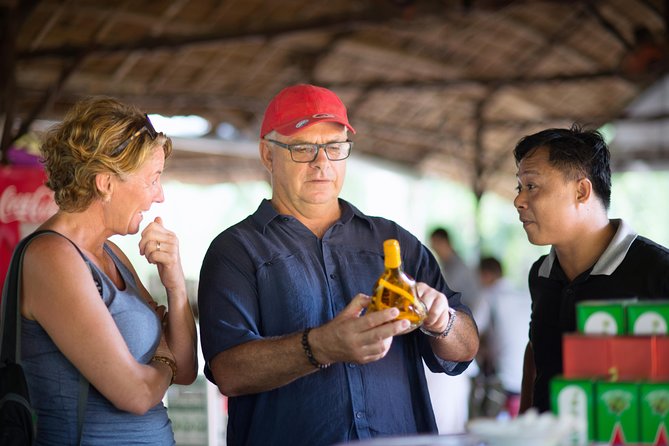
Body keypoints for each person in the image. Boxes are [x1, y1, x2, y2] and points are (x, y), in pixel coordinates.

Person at [198, 84, 479, 446]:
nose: (322, 163)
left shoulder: (394, 242)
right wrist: (321, 346)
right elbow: (228, 372)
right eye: (303, 148)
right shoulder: (236, 251)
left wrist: (444, 322)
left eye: (334, 147)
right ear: (268, 155)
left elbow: (466, 346)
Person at [18, 97, 198, 444]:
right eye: (152, 179)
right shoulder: (52, 257)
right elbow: (134, 394)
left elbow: (188, 369)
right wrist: (163, 359)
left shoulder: (112, 254)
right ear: (106, 183)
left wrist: (174, 285)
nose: (158, 196)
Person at [513, 124, 669, 414]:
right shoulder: (541, 273)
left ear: (581, 191)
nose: (519, 200)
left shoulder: (657, 273)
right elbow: (537, 350)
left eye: (531, 186)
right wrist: (524, 420)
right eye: (519, 187)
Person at [425, 227, 481, 433]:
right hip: (454, 334)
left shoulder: (457, 269)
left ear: (443, 242)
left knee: (451, 408)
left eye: (435, 243)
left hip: (460, 333)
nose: (434, 247)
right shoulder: (449, 266)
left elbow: (453, 306)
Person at [473, 256, 531, 419]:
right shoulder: (523, 294)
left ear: (486, 275)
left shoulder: (489, 296)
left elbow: (471, 332)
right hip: (528, 379)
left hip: (503, 384)